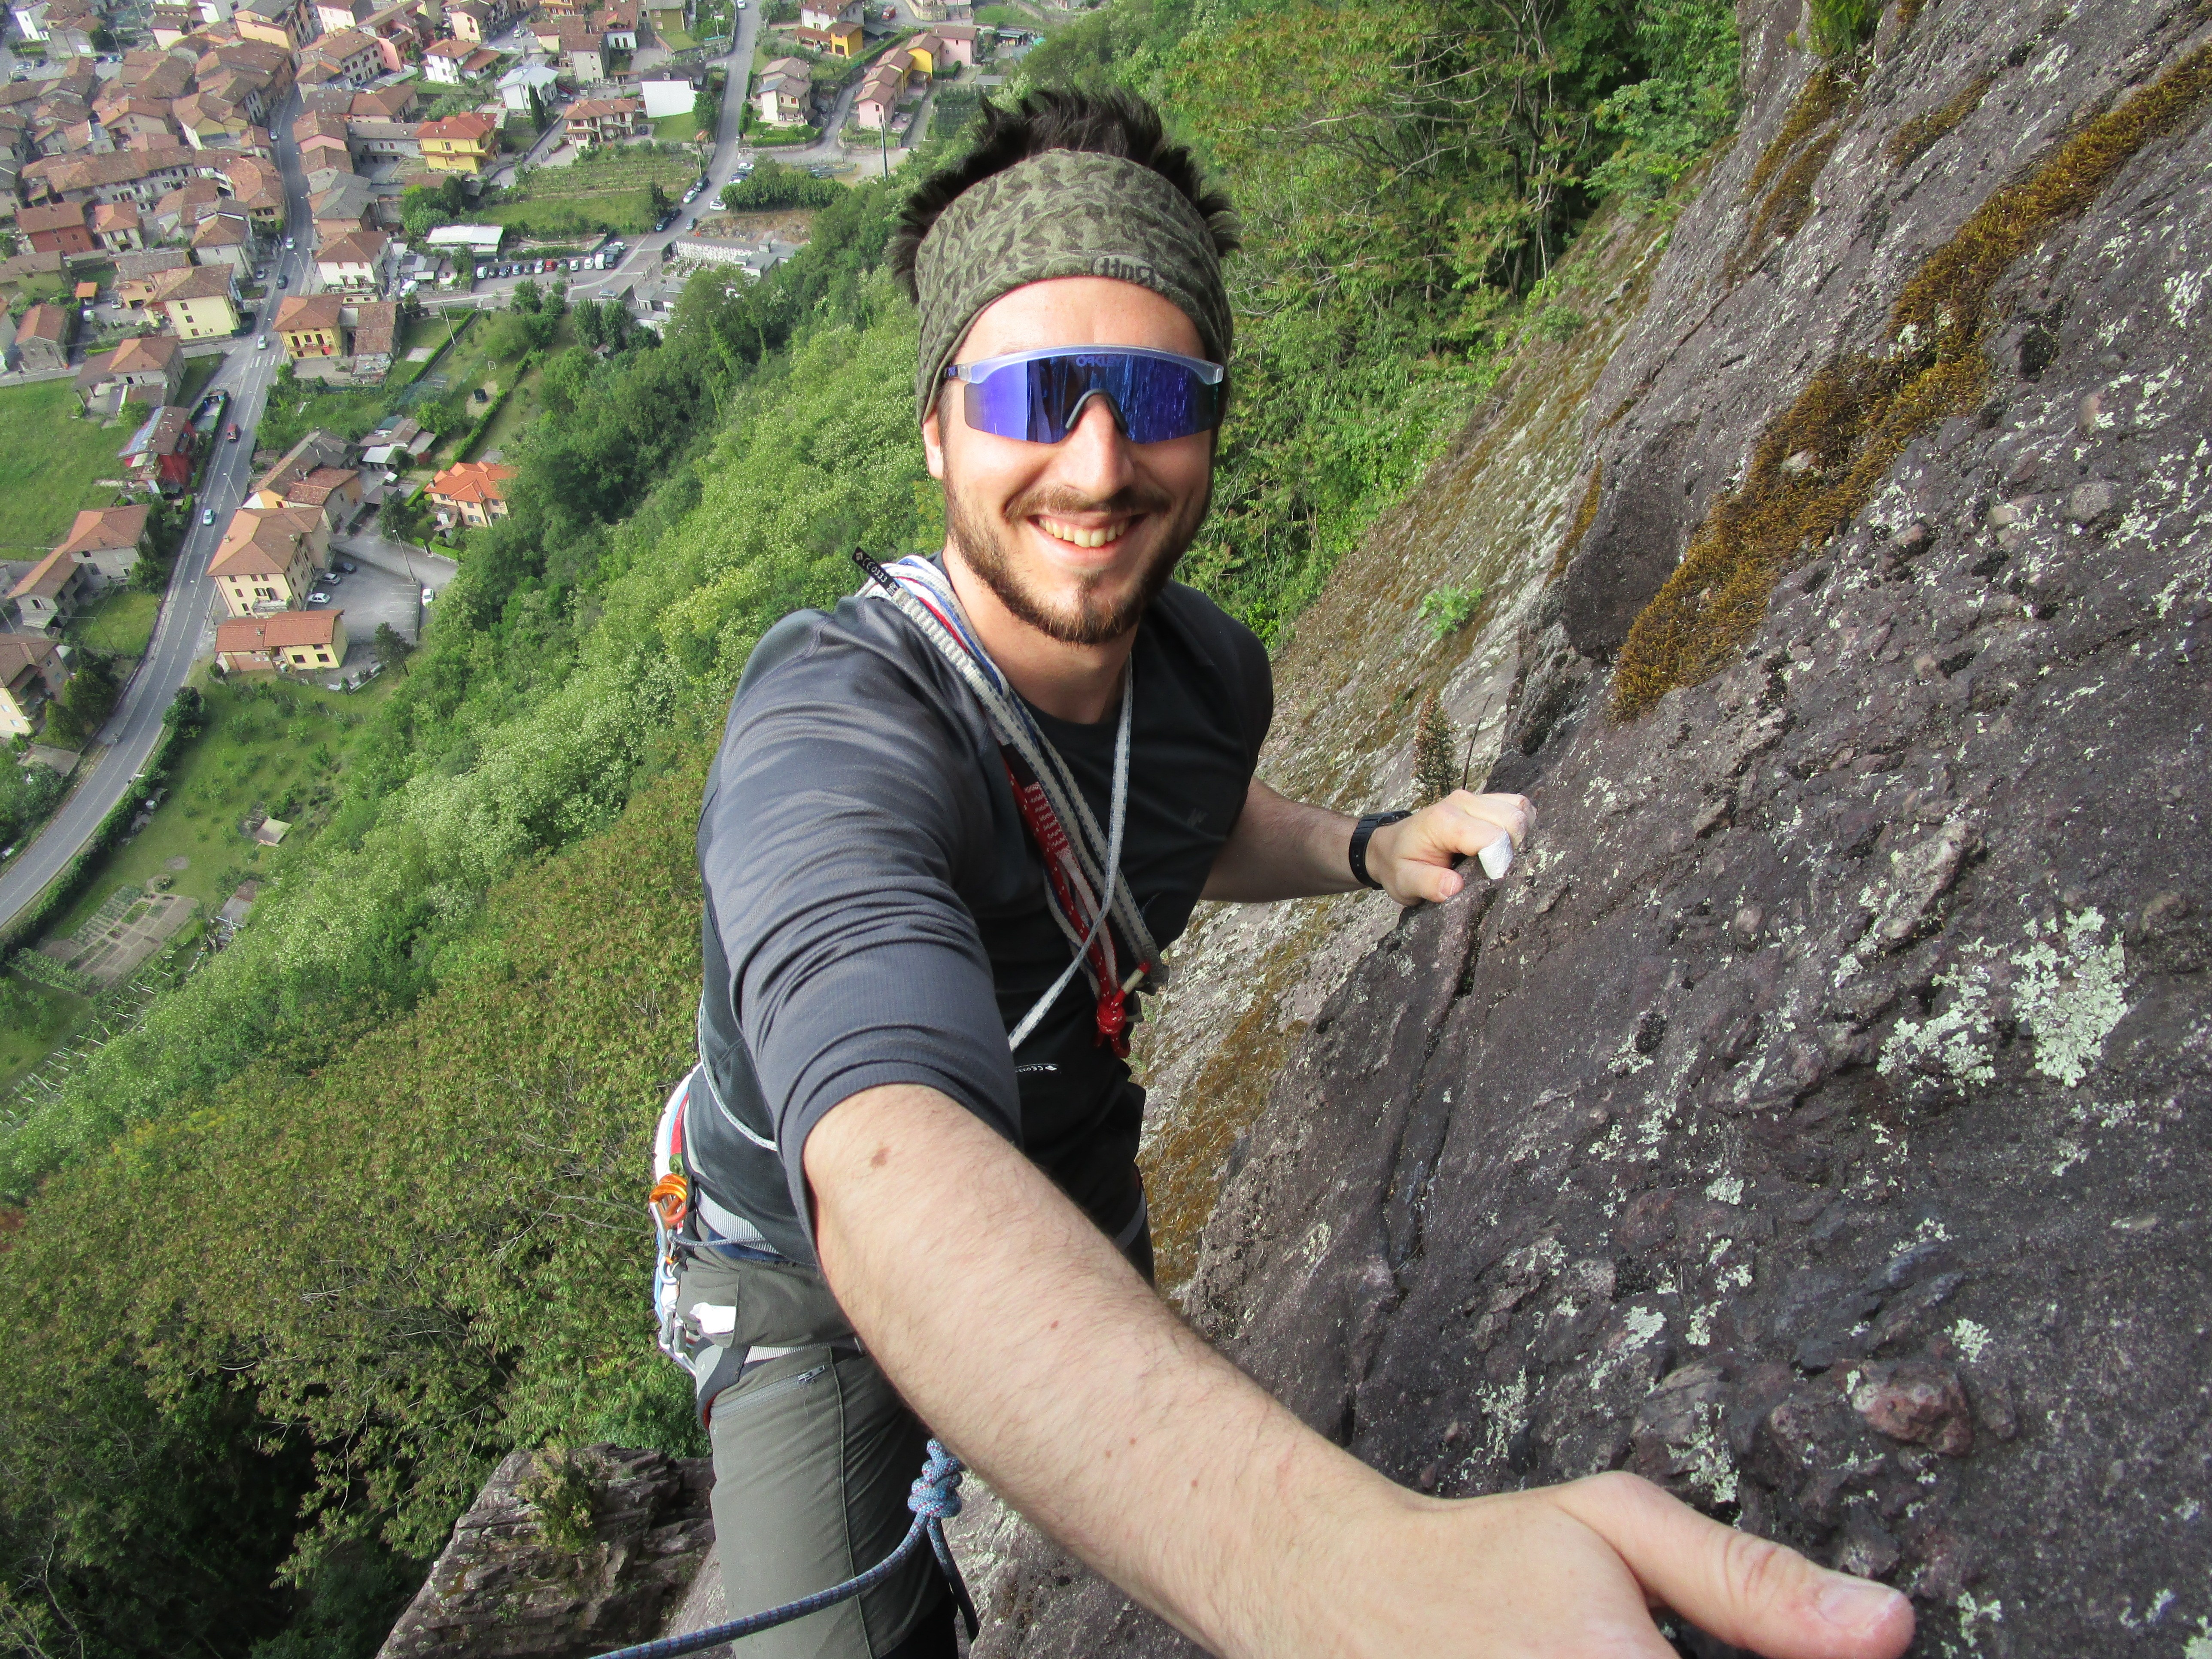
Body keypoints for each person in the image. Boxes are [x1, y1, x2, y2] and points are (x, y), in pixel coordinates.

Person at [653, 88, 1917, 1659]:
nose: (1099, 464)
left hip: (1070, 1162)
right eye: (1039, 393)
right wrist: (1328, 1569)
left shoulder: (1199, 675)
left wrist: (1365, 848)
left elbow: (1184, 821)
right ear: (936, 423)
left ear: (1212, 415)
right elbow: (887, 1149)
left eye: (1152, 393)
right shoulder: (832, 729)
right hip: (809, 1282)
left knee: (1124, 1473)